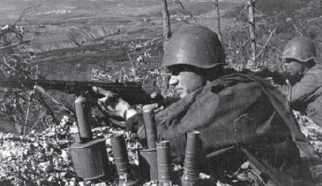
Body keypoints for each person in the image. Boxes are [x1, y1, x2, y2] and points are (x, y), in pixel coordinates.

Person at [93, 25, 312, 168]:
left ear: (202, 69)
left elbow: (172, 146)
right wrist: (160, 106)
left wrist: (129, 114)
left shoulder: (233, 96)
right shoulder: (228, 85)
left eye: (178, 72)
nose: (171, 81)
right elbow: (196, 106)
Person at [281, 36, 322, 127]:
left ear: (304, 60)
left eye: (290, 60)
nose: (286, 64)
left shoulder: (315, 76)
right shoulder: (310, 74)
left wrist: (270, 87)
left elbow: (289, 98)